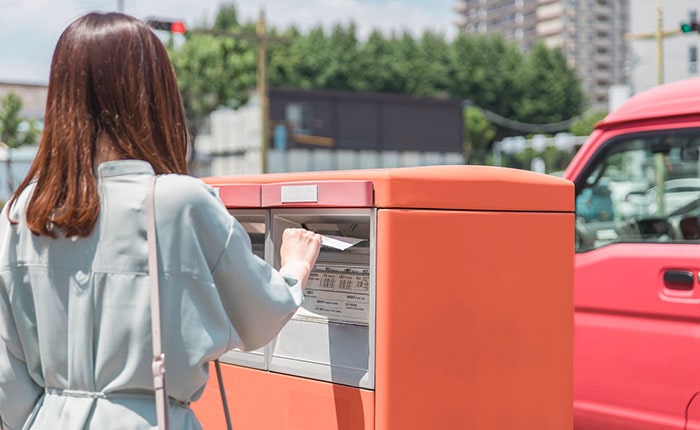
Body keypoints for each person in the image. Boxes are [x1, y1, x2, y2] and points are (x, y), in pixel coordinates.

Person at [0, 12, 321, 430]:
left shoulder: (24, 212)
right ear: (153, 94)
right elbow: (259, 316)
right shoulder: (180, 202)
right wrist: (294, 269)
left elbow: (8, 376)